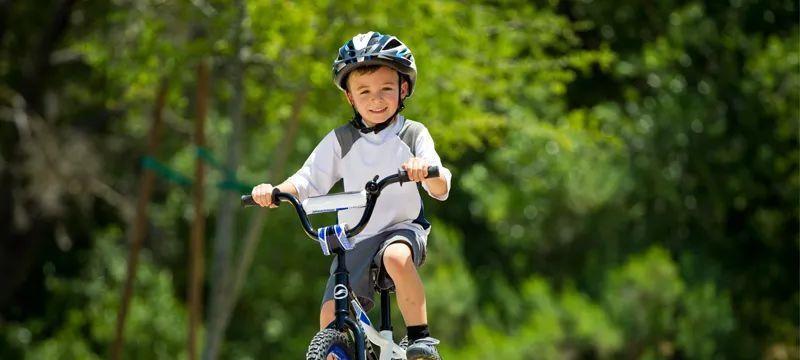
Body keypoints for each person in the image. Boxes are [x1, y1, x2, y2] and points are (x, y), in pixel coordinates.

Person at [251, 31, 451, 360]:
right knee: (330, 318)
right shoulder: (341, 140)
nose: (376, 99)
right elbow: (307, 180)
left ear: (403, 89)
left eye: (386, 89)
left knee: (396, 258)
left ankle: (421, 339)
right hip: (355, 238)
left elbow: (440, 185)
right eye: (365, 91)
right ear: (350, 98)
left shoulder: (412, 133)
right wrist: (274, 192)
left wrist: (424, 170)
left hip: (401, 228)